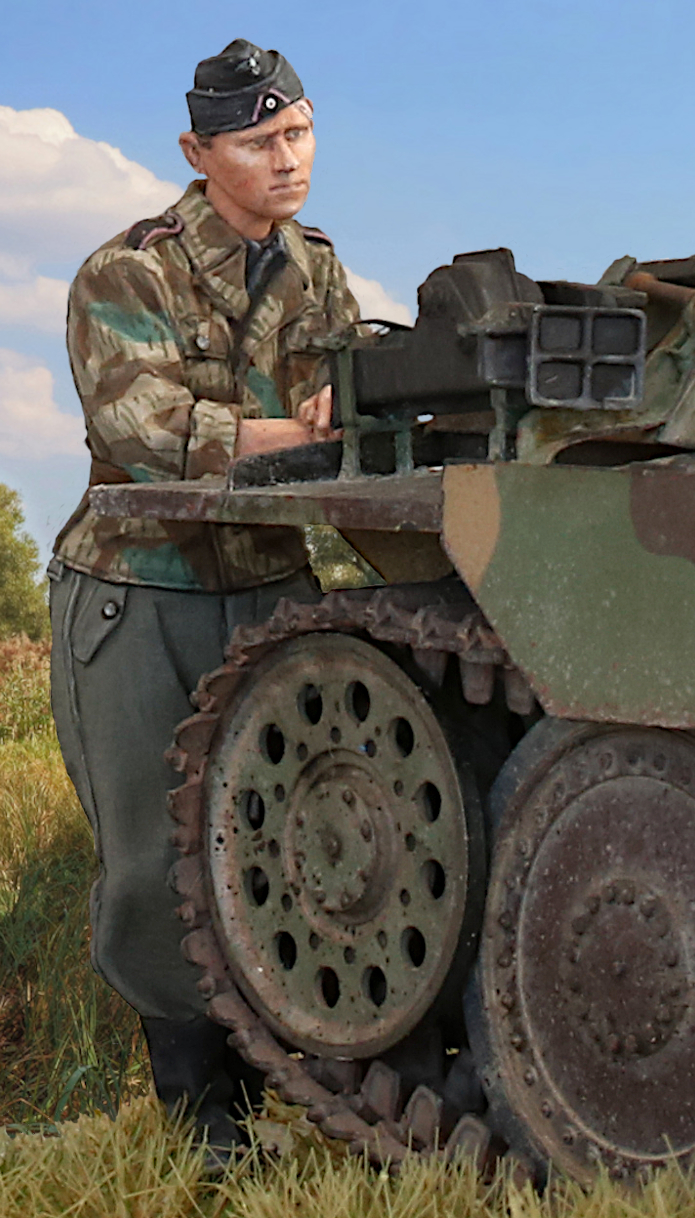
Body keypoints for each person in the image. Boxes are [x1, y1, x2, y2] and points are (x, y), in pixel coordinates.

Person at [49, 38, 360, 1167]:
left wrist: (349, 405)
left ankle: (295, 1084)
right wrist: (298, 431)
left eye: (300, 132)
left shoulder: (316, 269)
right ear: (197, 152)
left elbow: (350, 397)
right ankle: (201, 1120)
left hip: (270, 587)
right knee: (152, 861)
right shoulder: (127, 274)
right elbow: (151, 437)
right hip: (142, 592)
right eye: (260, 140)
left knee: (290, 839)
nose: (288, 159)